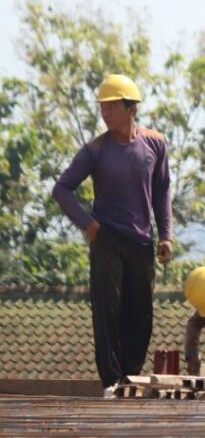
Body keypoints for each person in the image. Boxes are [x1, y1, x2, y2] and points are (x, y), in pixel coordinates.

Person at [52, 74, 173, 392]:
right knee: (108, 310)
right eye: (102, 108)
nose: (105, 114)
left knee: (141, 312)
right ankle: (111, 380)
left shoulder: (154, 144)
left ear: (130, 108)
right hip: (107, 238)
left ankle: (130, 377)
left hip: (142, 240)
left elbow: (161, 191)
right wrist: (89, 226)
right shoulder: (95, 150)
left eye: (111, 107)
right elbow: (62, 189)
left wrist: (166, 235)